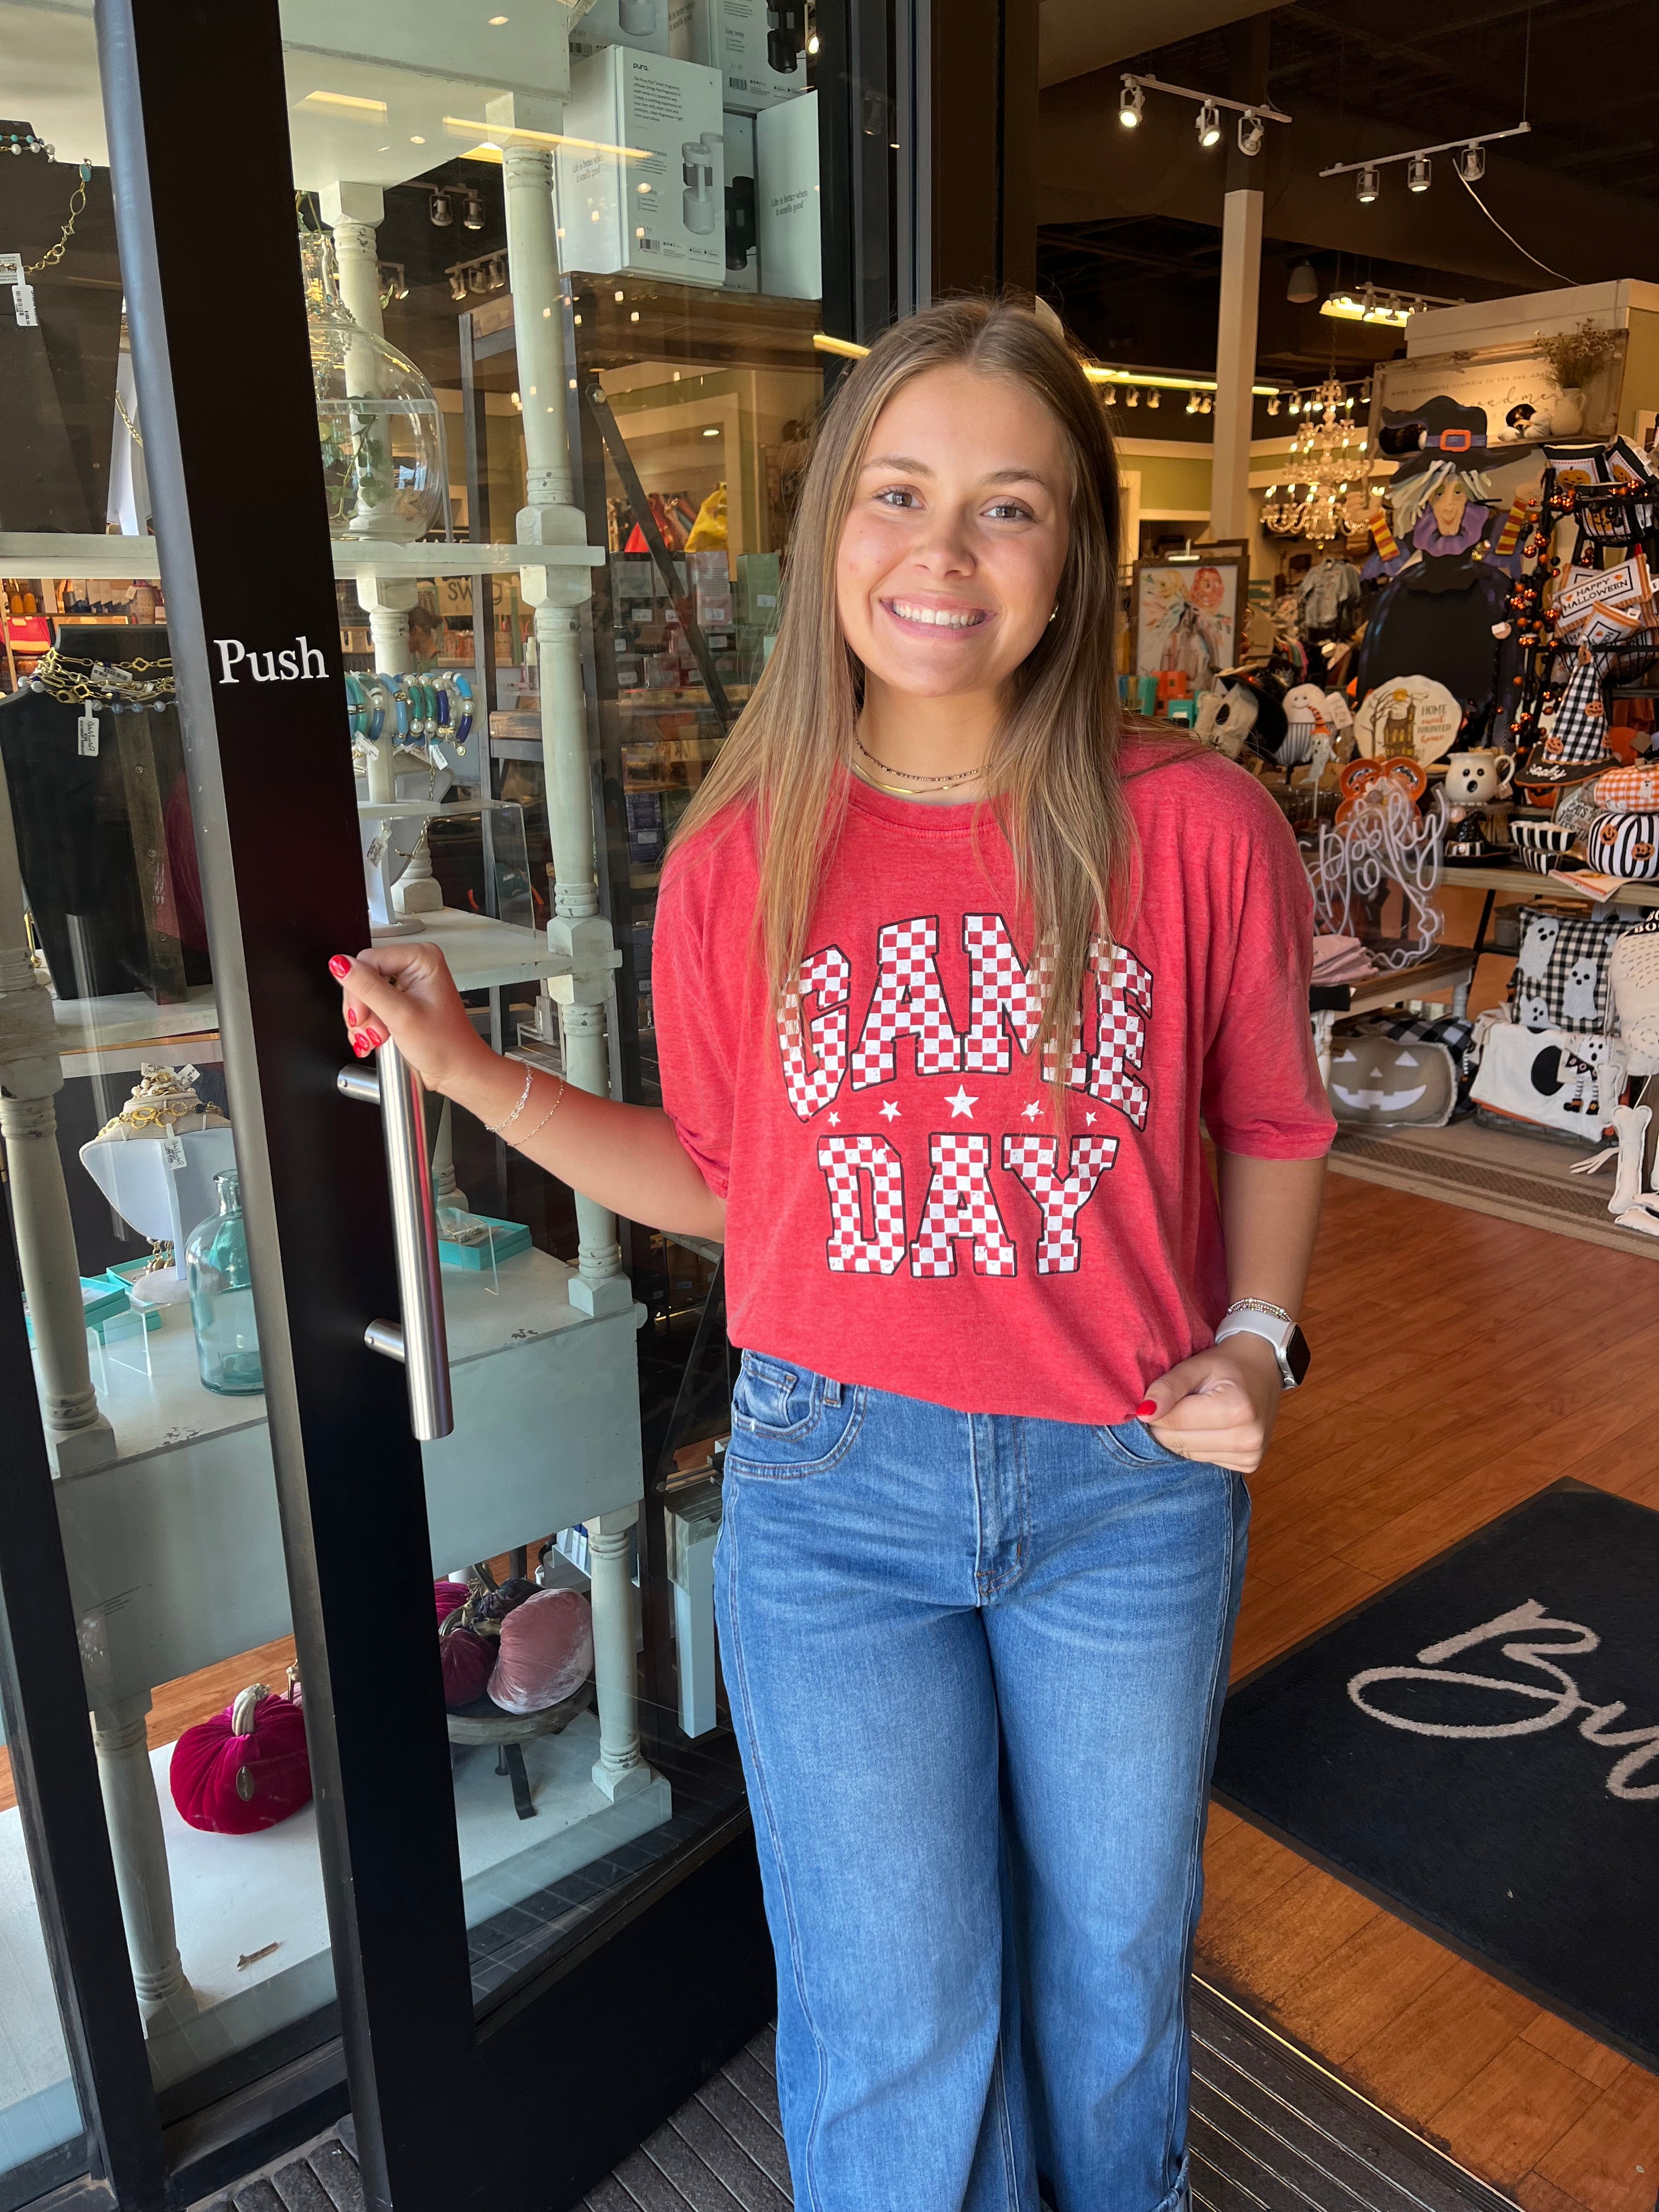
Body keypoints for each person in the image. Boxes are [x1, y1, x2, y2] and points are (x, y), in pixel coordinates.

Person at [330, 297, 1334, 2212]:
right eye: (899, 492)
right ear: (829, 534)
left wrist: (1264, 1343)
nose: (943, 554)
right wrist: (477, 1080)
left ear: (1077, 561)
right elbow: (733, 1182)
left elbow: (1278, 1120)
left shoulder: (1193, 827)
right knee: (894, 2008)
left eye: (1009, 507)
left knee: (1109, 1979)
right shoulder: (742, 851)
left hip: (1125, 1485)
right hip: (831, 1489)